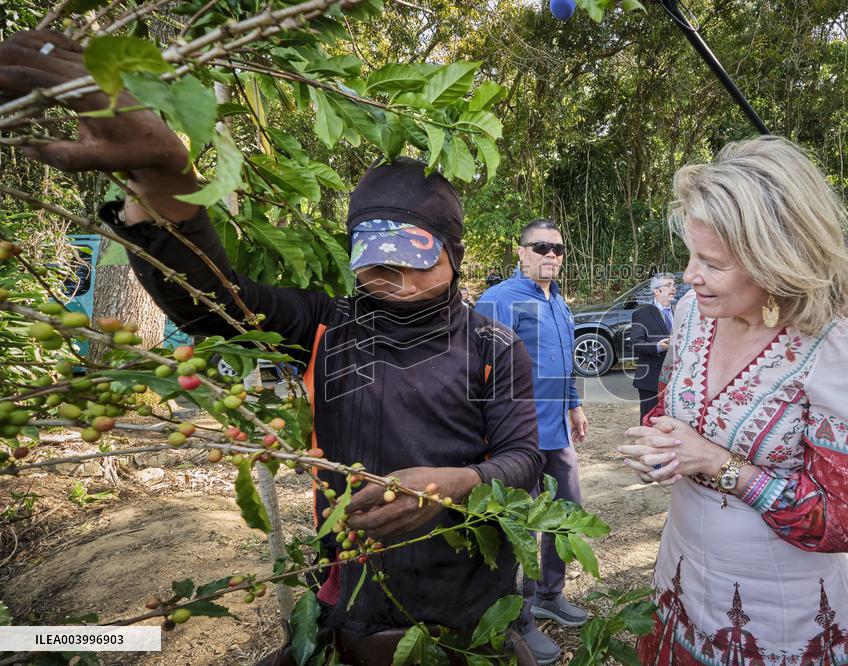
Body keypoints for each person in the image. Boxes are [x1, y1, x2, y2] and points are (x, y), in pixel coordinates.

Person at [0, 31, 543, 662]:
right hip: (354, 600)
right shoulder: (327, 325)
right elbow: (217, 304)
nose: (393, 278)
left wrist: (457, 484)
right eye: (375, 260)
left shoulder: (493, 345)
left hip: (469, 609)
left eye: (414, 259)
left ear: (454, 255)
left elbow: (524, 460)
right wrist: (165, 184)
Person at [618, 136, 848, 664]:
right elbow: (671, 408)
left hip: (777, 607)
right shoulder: (693, 317)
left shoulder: (839, 351)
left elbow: (844, 522)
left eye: (711, 262)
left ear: (777, 262)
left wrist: (718, 464)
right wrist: (662, 443)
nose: (690, 276)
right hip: (682, 570)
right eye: (690, 255)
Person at [475, 219, 589, 665]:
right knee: (521, 529)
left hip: (556, 432)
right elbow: (477, 369)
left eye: (558, 249)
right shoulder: (499, 299)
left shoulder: (559, 301)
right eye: (540, 247)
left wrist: (574, 405)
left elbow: (564, 363)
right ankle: (519, 620)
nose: (551, 255)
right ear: (520, 252)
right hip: (517, 437)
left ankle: (548, 594)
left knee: (567, 513)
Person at [631, 273, 676, 422]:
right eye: (668, 285)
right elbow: (636, 344)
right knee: (649, 422)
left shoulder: (681, 312)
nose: (673, 289)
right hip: (651, 380)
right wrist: (658, 347)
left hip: (676, 380)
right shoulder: (641, 314)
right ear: (656, 291)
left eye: (673, 285)